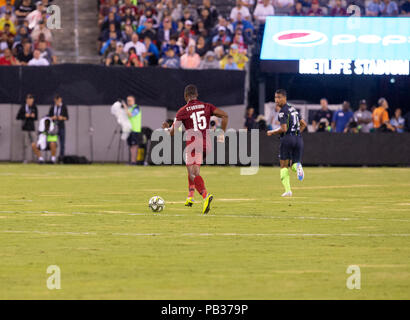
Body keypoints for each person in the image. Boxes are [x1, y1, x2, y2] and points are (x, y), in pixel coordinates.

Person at [161, 84, 228, 214]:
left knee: (193, 173)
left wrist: (165, 128)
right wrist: (222, 134)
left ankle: (205, 196)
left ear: (185, 96)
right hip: (206, 144)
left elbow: (172, 132)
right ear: (197, 95)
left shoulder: (183, 111)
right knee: (193, 169)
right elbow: (225, 115)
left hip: (193, 144)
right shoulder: (207, 106)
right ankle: (190, 196)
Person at [267, 89, 307, 197]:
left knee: (283, 165)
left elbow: (284, 129)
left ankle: (288, 190)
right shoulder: (293, 109)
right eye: (275, 97)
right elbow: (303, 123)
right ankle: (298, 167)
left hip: (287, 139)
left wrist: (272, 132)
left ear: (285, 98)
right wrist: (296, 133)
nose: (276, 100)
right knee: (294, 163)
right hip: (298, 138)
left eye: (279, 97)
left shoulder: (282, 111)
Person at [16, 93, 38, 162]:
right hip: (25, 127)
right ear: (26, 100)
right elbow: (18, 117)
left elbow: (36, 118)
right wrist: (25, 115)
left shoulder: (34, 107)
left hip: (32, 128)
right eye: (28, 100)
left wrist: (33, 116)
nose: (30, 101)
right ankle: (25, 159)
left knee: (34, 144)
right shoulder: (23, 107)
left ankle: (35, 159)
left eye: (31, 100)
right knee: (25, 145)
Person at [122, 95, 142, 165]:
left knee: (134, 145)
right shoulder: (129, 108)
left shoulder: (136, 108)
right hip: (129, 130)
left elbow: (131, 115)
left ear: (133, 100)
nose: (128, 102)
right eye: (127, 100)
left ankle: (134, 161)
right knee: (130, 146)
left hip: (135, 130)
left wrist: (125, 107)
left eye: (130, 100)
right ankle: (132, 161)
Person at [48, 94, 69, 160]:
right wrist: (53, 118)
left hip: (61, 127)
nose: (57, 101)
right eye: (56, 100)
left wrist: (62, 118)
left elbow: (67, 118)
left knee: (62, 143)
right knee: (53, 142)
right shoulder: (52, 107)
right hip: (54, 127)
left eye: (58, 100)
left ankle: (61, 158)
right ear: (55, 100)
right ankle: (53, 157)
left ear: (60, 99)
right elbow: (48, 117)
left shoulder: (64, 107)